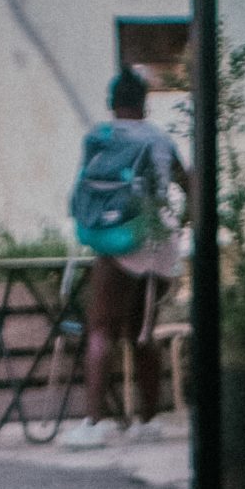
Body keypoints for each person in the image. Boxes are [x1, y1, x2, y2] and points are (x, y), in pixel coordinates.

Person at [62, 66, 190, 449]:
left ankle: (94, 423)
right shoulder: (160, 140)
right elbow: (188, 182)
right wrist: (181, 224)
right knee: (143, 332)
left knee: (100, 328)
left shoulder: (97, 137)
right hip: (153, 242)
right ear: (144, 103)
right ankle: (147, 420)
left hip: (113, 242)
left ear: (113, 103)